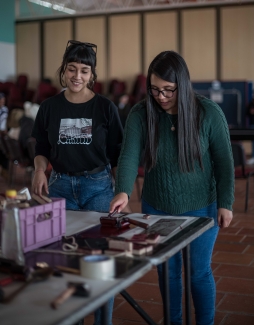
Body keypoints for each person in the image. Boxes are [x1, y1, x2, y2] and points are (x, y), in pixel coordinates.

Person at [110, 51, 234, 325]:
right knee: (168, 272)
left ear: (183, 84)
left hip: (203, 206)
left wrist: (226, 202)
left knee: (198, 272)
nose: (161, 96)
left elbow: (224, 162)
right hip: (157, 206)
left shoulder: (208, 113)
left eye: (169, 90)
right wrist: (123, 191)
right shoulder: (141, 113)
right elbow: (129, 156)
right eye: (154, 89)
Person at [31, 40, 125, 325]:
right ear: (64, 70)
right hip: (59, 187)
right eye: (71, 69)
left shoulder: (105, 108)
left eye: (84, 70)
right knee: (63, 261)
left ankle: (102, 321)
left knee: (99, 262)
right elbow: (41, 148)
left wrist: (122, 190)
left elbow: (119, 155)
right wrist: (38, 170)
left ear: (92, 74)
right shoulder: (49, 107)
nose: (77, 76)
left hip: (98, 188)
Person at [0, 92, 9, 178]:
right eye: (1, 100)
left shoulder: (5, 110)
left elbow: (4, 124)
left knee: (4, 149)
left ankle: (5, 169)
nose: (2, 102)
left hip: (2, 134)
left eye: (3, 100)